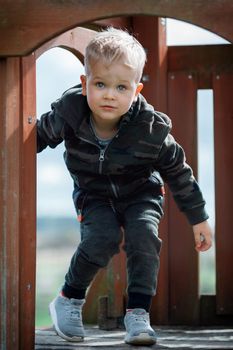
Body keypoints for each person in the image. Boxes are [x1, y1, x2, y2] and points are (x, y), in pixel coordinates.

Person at [37, 27, 213, 346]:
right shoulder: (69, 113)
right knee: (101, 239)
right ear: (84, 83)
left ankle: (137, 314)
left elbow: (178, 172)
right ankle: (69, 299)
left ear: (136, 89)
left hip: (141, 193)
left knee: (144, 237)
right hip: (93, 194)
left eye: (121, 87)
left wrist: (198, 218)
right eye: (100, 84)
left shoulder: (151, 128)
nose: (109, 94)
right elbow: (34, 138)